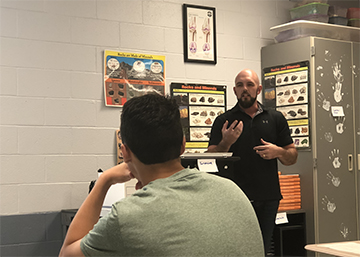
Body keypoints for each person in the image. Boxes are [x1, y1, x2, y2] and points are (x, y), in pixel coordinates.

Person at [59, 93, 264, 257]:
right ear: (183, 144)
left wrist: (104, 181)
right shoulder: (232, 190)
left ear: (125, 152)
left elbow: (67, 252)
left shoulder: (127, 216)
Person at [207, 69, 298, 254]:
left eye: (249, 84)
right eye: (240, 85)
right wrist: (226, 142)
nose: (245, 89)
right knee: (237, 249)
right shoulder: (224, 121)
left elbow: (292, 157)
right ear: (234, 90)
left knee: (262, 248)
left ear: (259, 89)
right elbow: (210, 161)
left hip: (268, 197)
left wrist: (278, 151)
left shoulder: (275, 118)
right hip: (235, 198)